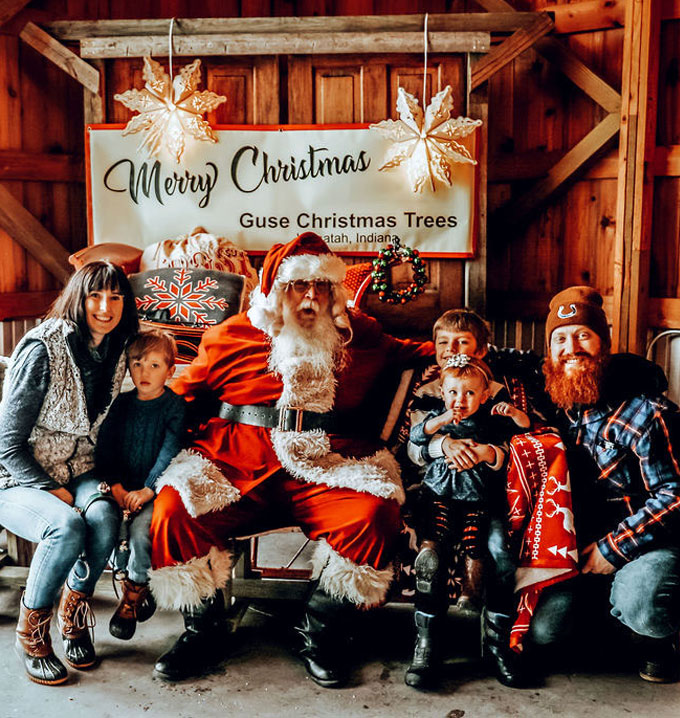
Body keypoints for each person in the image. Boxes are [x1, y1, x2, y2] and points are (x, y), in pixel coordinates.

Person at [147, 231, 433, 687]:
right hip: (236, 464)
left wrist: (467, 354)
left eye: (322, 286)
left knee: (375, 514)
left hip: (327, 464)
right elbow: (179, 396)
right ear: (275, 289)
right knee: (173, 511)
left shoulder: (359, 335)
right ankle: (203, 630)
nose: (311, 297)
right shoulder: (231, 335)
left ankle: (321, 633)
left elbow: (414, 353)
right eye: (299, 285)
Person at [531, 285, 680, 682]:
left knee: (643, 602)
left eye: (583, 335)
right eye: (559, 339)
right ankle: (611, 617)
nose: (571, 347)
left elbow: (676, 496)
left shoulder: (647, 412)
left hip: (646, 545)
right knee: (544, 632)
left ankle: (659, 641)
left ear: (604, 345)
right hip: (580, 548)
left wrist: (613, 549)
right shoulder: (554, 403)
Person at [0, 261, 138, 685]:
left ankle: (72, 614)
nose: (105, 306)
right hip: (17, 474)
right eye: (95, 295)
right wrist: (50, 488)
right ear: (78, 298)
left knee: (104, 517)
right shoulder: (42, 348)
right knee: (65, 527)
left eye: (115, 297)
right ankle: (32, 632)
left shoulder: (118, 348)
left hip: (77, 468)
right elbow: (6, 442)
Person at [393, 308, 543, 688]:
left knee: (500, 550)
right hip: (436, 489)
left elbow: (522, 441)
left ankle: (497, 644)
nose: (451, 350)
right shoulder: (428, 389)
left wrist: (490, 453)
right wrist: (443, 444)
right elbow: (412, 444)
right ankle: (427, 644)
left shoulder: (499, 391)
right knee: (431, 557)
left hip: (487, 493)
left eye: (462, 343)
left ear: (482, 348)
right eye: (443, 342)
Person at [96, 328, 186, 641]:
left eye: (154, 365)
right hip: (120, 487)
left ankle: (131, 597)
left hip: (153, 490)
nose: (143, 372)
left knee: (140, 532)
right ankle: (128, 579)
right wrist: (118, 487)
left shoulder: (174, 407)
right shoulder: (120, 405)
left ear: (170, 370)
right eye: (137, 364)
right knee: (110, 529)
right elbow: (106, 447)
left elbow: (170, 450)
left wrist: (148, 488)